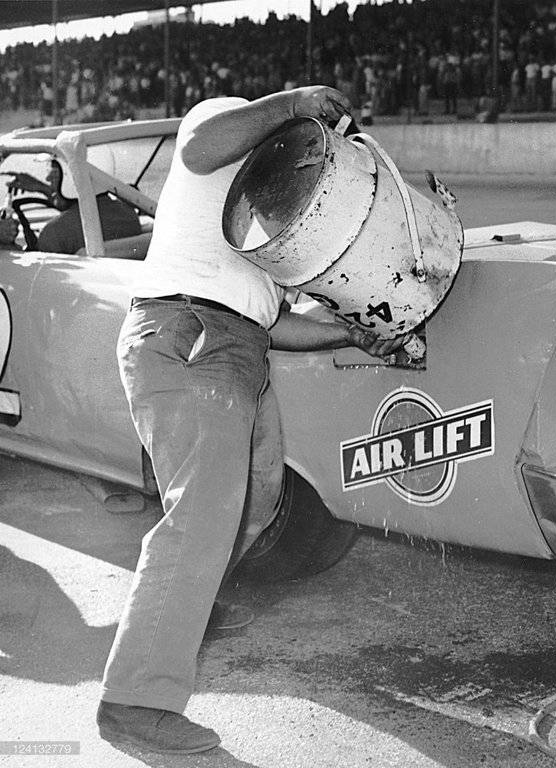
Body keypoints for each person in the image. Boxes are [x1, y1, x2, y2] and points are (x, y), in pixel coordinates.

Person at [97, 85, 405, 754]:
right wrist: (295, 100)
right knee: (201, 516)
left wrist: (350, 335)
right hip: (189, 329)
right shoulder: (221, 121)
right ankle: (135, 699)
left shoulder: (266, 219)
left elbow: (272, 322)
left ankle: (185, 609)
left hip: (236, 345)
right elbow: (198, 143)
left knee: (255, 503)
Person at [0, 157, 141, 253]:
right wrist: (44, 188)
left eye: (54, 173)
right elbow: (82, 206)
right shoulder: (129, 215)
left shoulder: (54, 232)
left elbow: (28, 278)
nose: (48, 178)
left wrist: (6, 242)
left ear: (71, 177)